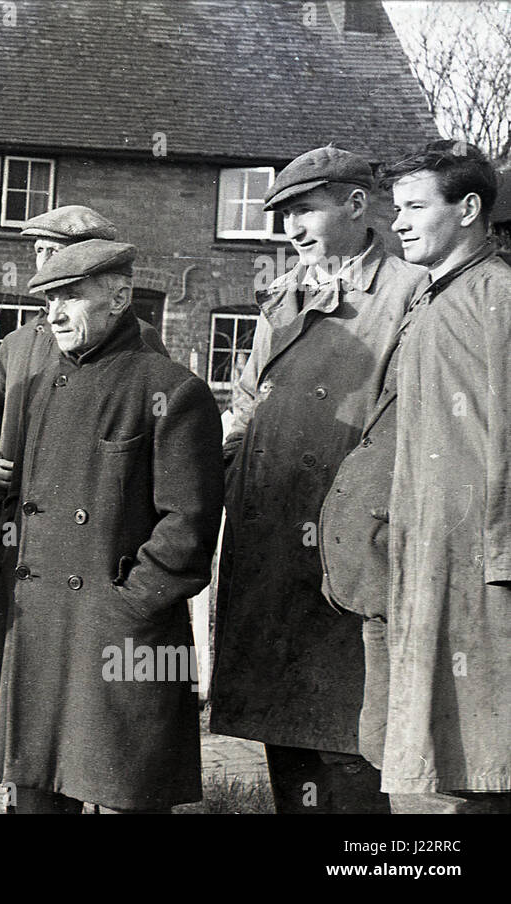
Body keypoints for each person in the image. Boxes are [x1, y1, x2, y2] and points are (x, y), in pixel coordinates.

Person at [209, 147, 426, 813]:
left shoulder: (410, 294)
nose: (293, 229)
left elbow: (410, 429)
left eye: (307, 209)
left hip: (352, 547)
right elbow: (248, 403)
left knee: (349, 737)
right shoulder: (283, 298)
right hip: (272, 545)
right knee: (285, 730)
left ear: (357, 205)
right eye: (285, 215)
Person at [0, 240, 223, 813]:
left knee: (127, 791)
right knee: (39, 795)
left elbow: (188, 524)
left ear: (119, 297)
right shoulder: (42, 386)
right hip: (45, 626)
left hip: (121, 633)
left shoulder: (172, 390)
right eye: (49, 301)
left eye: (71, 297)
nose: (55, 314)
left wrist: (129, 603)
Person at [333, 140, 509, 814]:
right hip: (418, 568)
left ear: (468, 209)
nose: (398, 222)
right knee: (422, 771)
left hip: (480, 585)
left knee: (476, 770)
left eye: (414, 207)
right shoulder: (430, 301)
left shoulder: (498, 300)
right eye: (394, 207)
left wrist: (501, 563)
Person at [0, 205, 166, 708]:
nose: (43, 262)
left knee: (81, 691)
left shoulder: (141, 346)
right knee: (18, 676)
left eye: (58, 252)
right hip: (20, 535)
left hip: (90, 543)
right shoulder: (18, 345)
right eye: (38, 251)